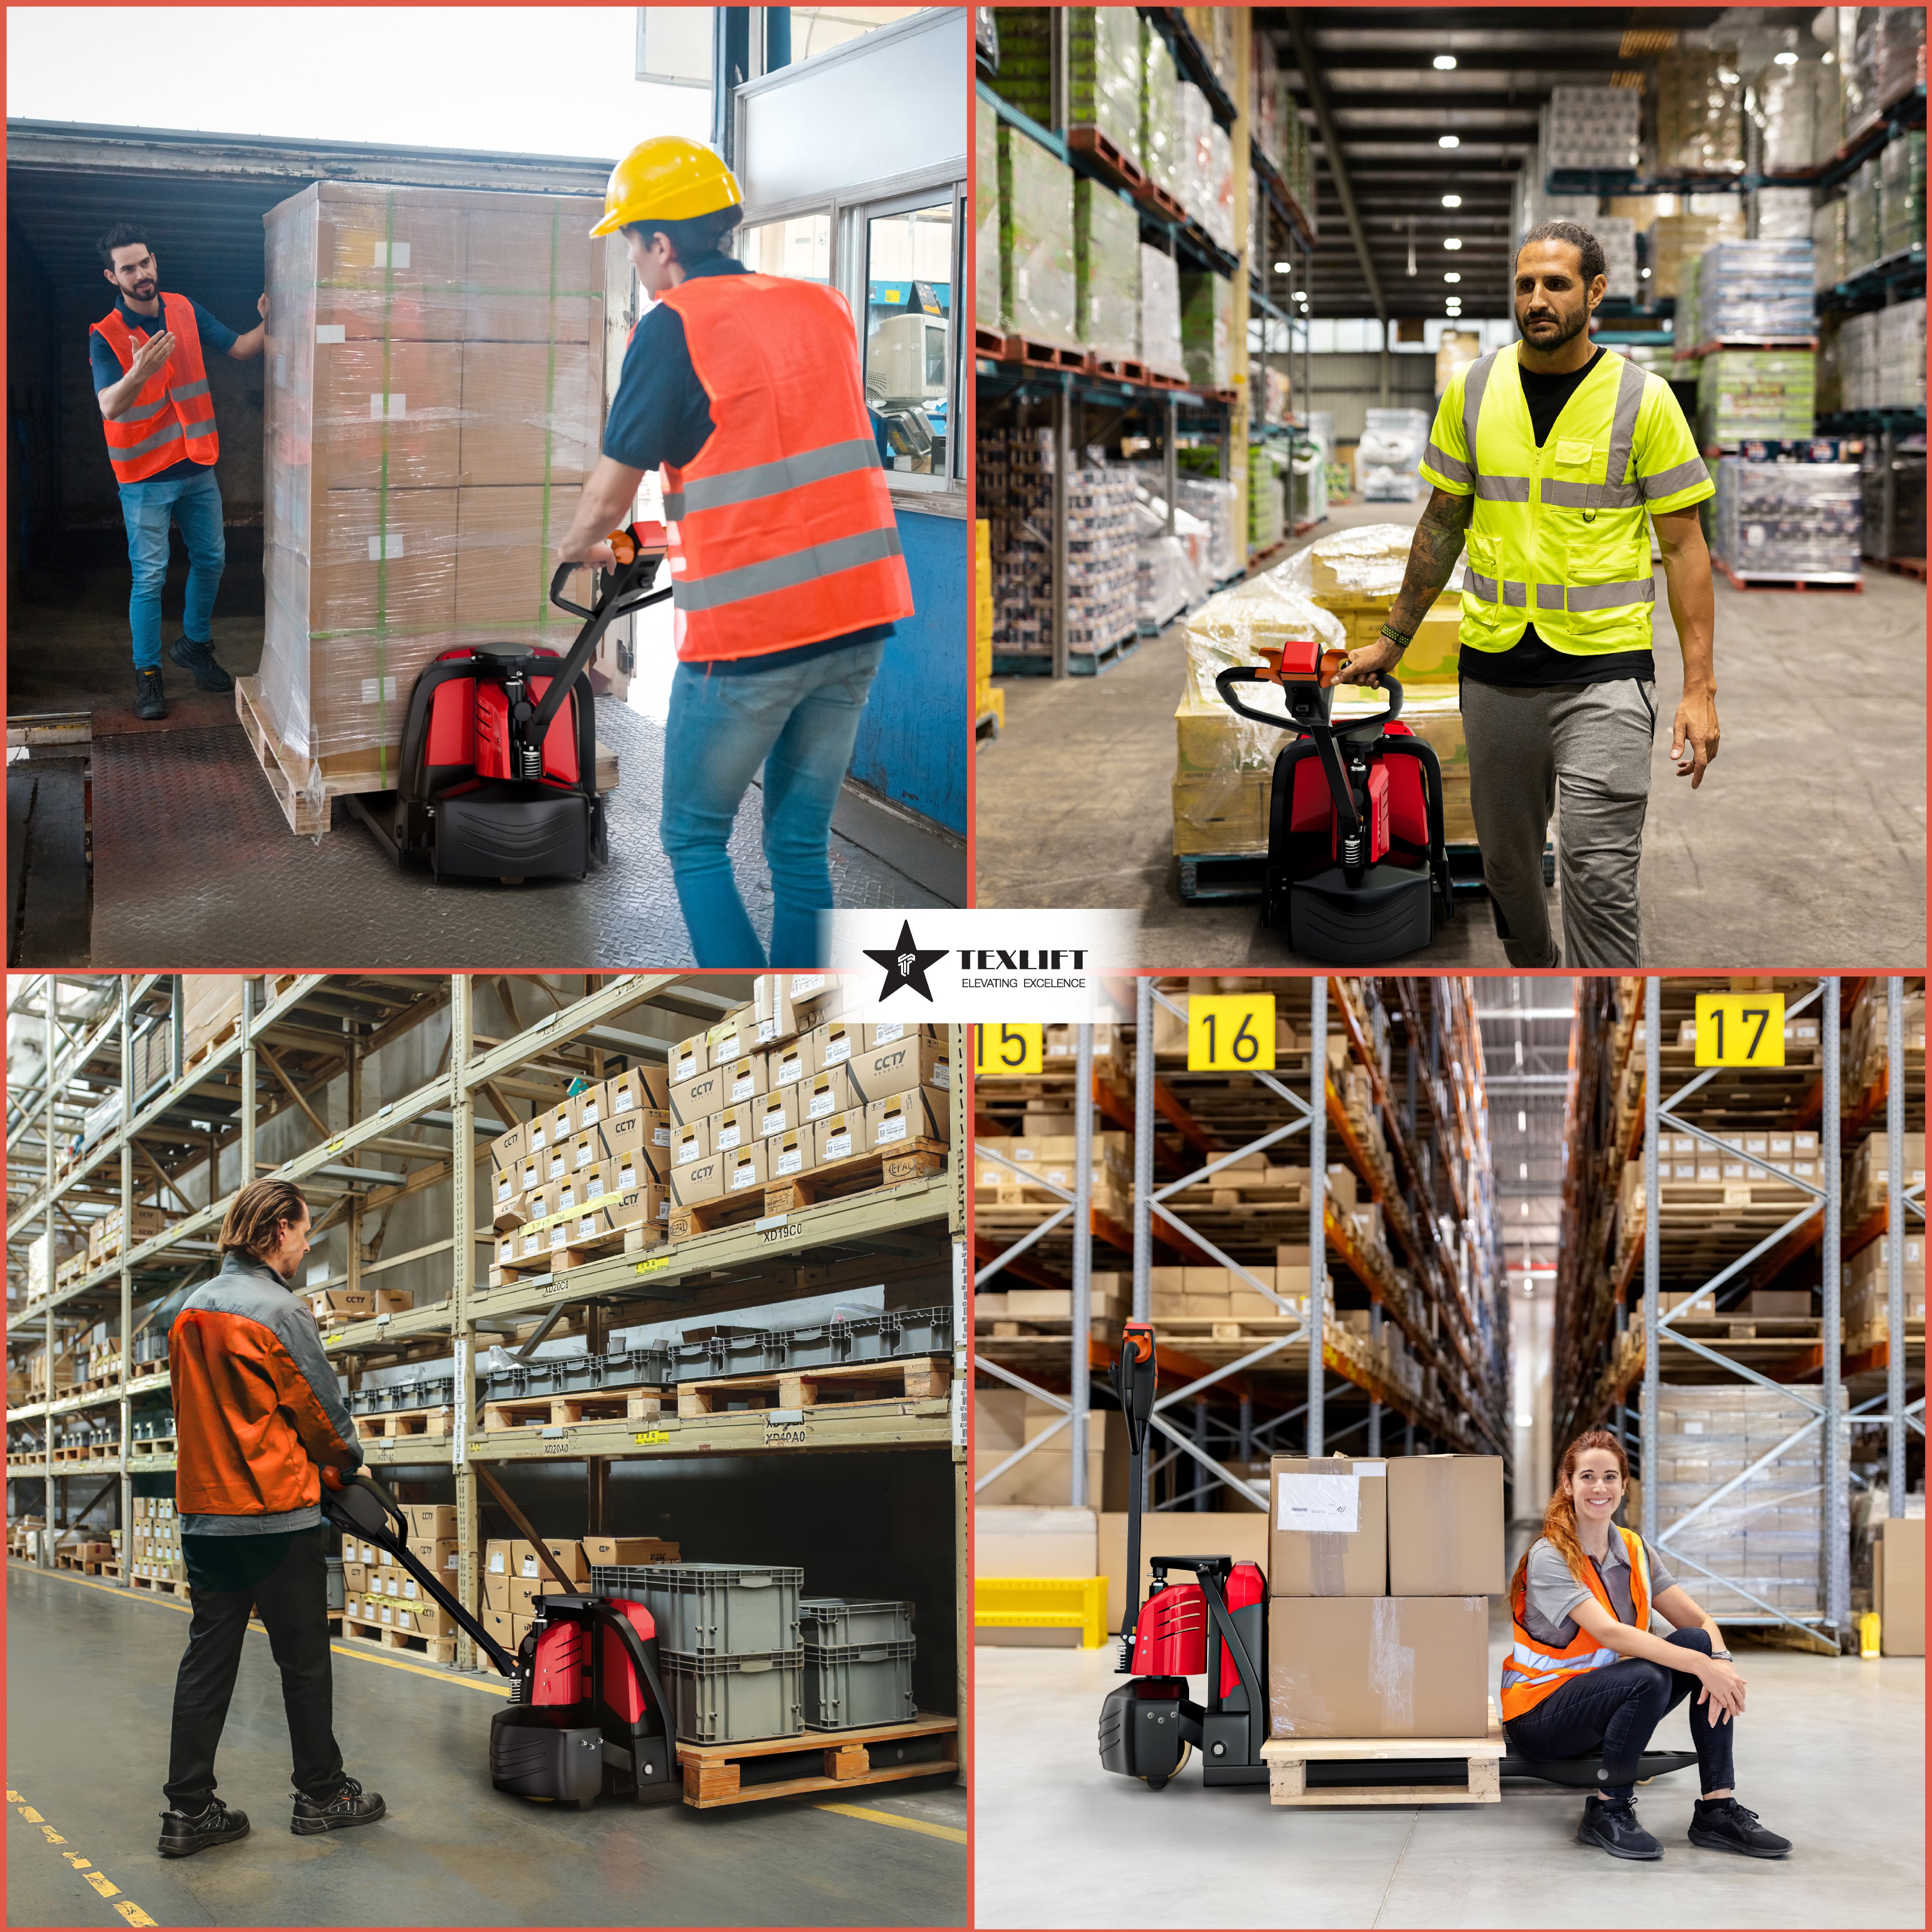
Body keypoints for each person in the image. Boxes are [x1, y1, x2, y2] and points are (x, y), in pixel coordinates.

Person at [555, 136, 915, 968]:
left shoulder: (671, 327)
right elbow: (762, 464)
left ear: (662, 243)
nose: (632, 259)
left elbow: (609, 493)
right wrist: (636, 542)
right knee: (799, 846)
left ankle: (749, 1011)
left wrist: (577, 545)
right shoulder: (823, 307)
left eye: (630, 242)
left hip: (752, 639)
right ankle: (805, 1019)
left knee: (692, 836)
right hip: (860, 620)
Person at [1337, 221, 1719, 969]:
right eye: (1524, 285)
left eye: (1555, 284)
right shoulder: (1472, 391)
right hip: (1495, 671)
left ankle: (1595, 1006)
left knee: (1597, 876)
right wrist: (1393, 638)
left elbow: (1683, 548)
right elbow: (1441, 524)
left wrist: (1698, 686)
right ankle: (1537, 976)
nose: (1536, 299)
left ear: (1594, 292)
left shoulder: (1643, 399)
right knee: (1508, 871)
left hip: (1604, 673)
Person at [160, 1177, 383, 1857]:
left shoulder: (189, 1311)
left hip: (206, 1516)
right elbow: (320, 1411)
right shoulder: (279, 1311)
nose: (307, 1243)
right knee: (304, 1660)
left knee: (207, 1661)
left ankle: (187, 1811)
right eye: (305, 1229)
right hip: (275, 1516)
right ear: (278, 1227)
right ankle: (322, 1794)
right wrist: (347, 1463)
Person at [1500, 1429, 1791, 1862]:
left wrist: (1720, 1661)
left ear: (1624, 1486)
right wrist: (1702, 1666)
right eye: (1587, 1477)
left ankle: (1717, 1808)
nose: (1599, 1487)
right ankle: (1607, 1810)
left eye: (1610, 1477)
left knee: (1698, 1643)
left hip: (1599, 1704)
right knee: (1651, 1674)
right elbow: (1610, 1634)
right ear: (1568, 1485)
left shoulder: (1634, 1549)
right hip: (1541, 1716)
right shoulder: (1551, 1556)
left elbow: (1699, 1622)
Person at [91, 223, 268, 721]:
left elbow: (241, 348)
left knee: (212, 560)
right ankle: (149, 674)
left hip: (196, 465)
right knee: (150, 578)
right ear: (113, 277)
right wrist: (139, 373)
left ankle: (195, 646)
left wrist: (272, 321)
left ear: (154, 261)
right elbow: (109, 405)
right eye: (128, 268)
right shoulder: (107, 334)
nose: (141, 274)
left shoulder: (184, 309)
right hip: (145, 477)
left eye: (145, 262)